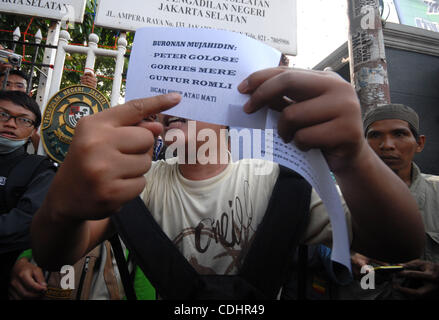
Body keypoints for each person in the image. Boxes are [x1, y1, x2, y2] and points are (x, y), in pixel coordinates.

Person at [30, 67, 425, 299]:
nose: (173, 108)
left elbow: (399, 244)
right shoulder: (139, 184)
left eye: (194, 95)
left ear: (224, 117)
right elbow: (58, 253)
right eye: (166, 99)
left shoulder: (278, 183)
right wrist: (62, 207)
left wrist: (354, 156)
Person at [340, 103, 438, 299]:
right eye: (375, 136)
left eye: (399, 134)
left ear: (419, 143)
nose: (387, 145)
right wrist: (345, 256)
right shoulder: (341, 196)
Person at [0, 90, 57, 300]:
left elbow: (26, 222)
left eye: (23, 120)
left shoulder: (39, 169)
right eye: (3, 114)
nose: (11, 124)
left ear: (34, 130)